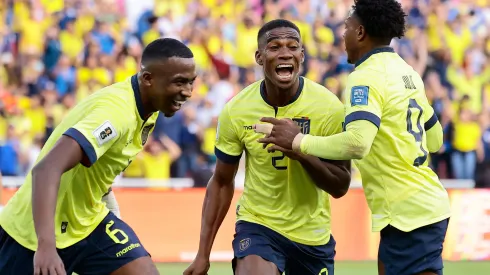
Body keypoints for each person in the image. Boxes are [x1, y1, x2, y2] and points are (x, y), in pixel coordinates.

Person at [254, 1, 451, 275]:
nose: (341, 35)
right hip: (422, 207)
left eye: (345, 28)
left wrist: (299, 142)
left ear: (359, 32)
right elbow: (435, 140)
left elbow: (358, 142)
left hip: (408, 213)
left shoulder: (365, 77)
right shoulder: (407, 72)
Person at [0, 38, 197, 275]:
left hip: (88, 222)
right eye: (179, 83)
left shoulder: (149, 110)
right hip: (33, 235)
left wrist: (113, 215)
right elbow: (46, 169)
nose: (187, 92)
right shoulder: (117, 114)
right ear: (148, 79)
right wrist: (46, 246)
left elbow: (101, 172)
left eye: (191, 82)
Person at [184, 19, 351, 275]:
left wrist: (300, 150)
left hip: (311, 236)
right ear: (259, 57)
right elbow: (220, 182)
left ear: (302, 56)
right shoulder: (236, 110)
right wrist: (202, 254)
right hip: (258, 225)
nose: (285, 53)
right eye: (274, 47)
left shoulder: (329, 107)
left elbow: (340, 186)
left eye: (293, 46)